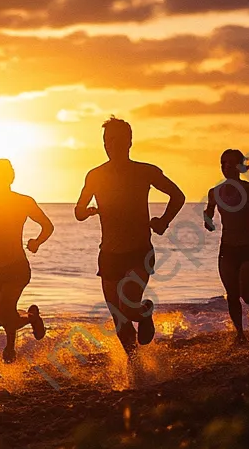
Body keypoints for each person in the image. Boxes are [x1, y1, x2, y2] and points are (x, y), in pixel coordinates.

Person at [75, 117, 185, 354]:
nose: (110, 145)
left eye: (115, 140)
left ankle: (145, 311)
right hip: (109, 255)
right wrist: (88, 211)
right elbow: (78, 211)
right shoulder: (95, 175)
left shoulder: (144, 171)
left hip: (139, 252)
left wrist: (164, 221)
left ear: (129, 142)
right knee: (119, 320)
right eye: (106, 140)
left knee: (128, 305)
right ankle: (135, 369)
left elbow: (178, 195)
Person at [0, 159, 54, 362]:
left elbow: (47, 225)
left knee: (5, 310)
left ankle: (11, 345)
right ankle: (30, 317)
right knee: (1, 316)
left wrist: (37, 242)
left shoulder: (24, 201)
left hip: (16, 266)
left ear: (9, 177)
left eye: (2, 174)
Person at [204, 149, 249, 342]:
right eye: (223, 163)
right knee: (231, 294)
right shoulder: (215, 192)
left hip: (248, 248)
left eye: (230, 163)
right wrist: (208, 220)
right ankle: (240, 334)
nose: (226, 167)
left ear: (240, 166)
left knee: (246, 295)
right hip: (227, 249)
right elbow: (209, 211)